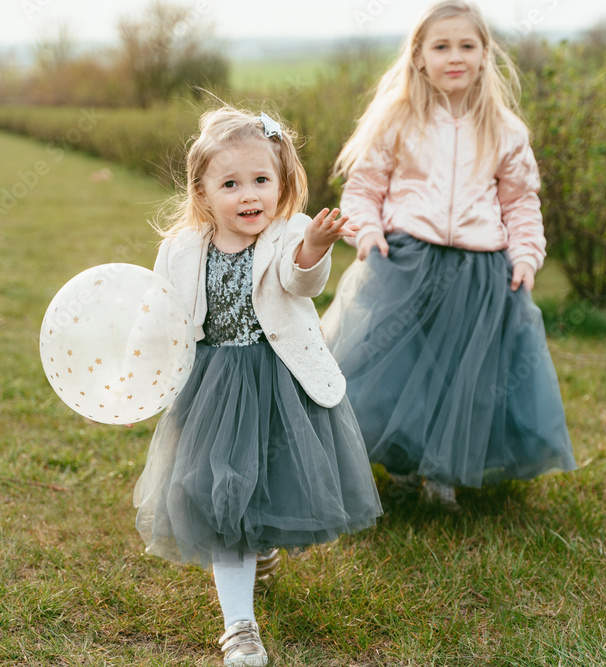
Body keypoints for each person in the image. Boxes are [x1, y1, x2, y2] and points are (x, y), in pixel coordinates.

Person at [133, 106, 382, 667]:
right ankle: (239, 627)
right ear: (202, 192)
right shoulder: (181, 249)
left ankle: (261, 543)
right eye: (231, 183)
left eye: (261, 181)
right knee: (221, 496)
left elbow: (300, 279)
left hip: (278, 381)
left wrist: (316, 245)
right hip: (213, 387)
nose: (249, 195)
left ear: (282, 183)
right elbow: (160, 320)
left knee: (265, 477)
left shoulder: (289, 232)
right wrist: (139, 388)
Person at [321, 0, 576, 509]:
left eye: (467, 45)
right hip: (407, 262)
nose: (454, 56)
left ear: (485, 55)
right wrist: (367, 232)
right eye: (441, 46)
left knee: (465, 374)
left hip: (480, 272)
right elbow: (365, 188)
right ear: (418, 57)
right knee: (400, 368)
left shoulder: (503, 129)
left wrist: (525, 256)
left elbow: (520, 202)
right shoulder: (398, 119)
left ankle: (446, 471)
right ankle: (400, 462)